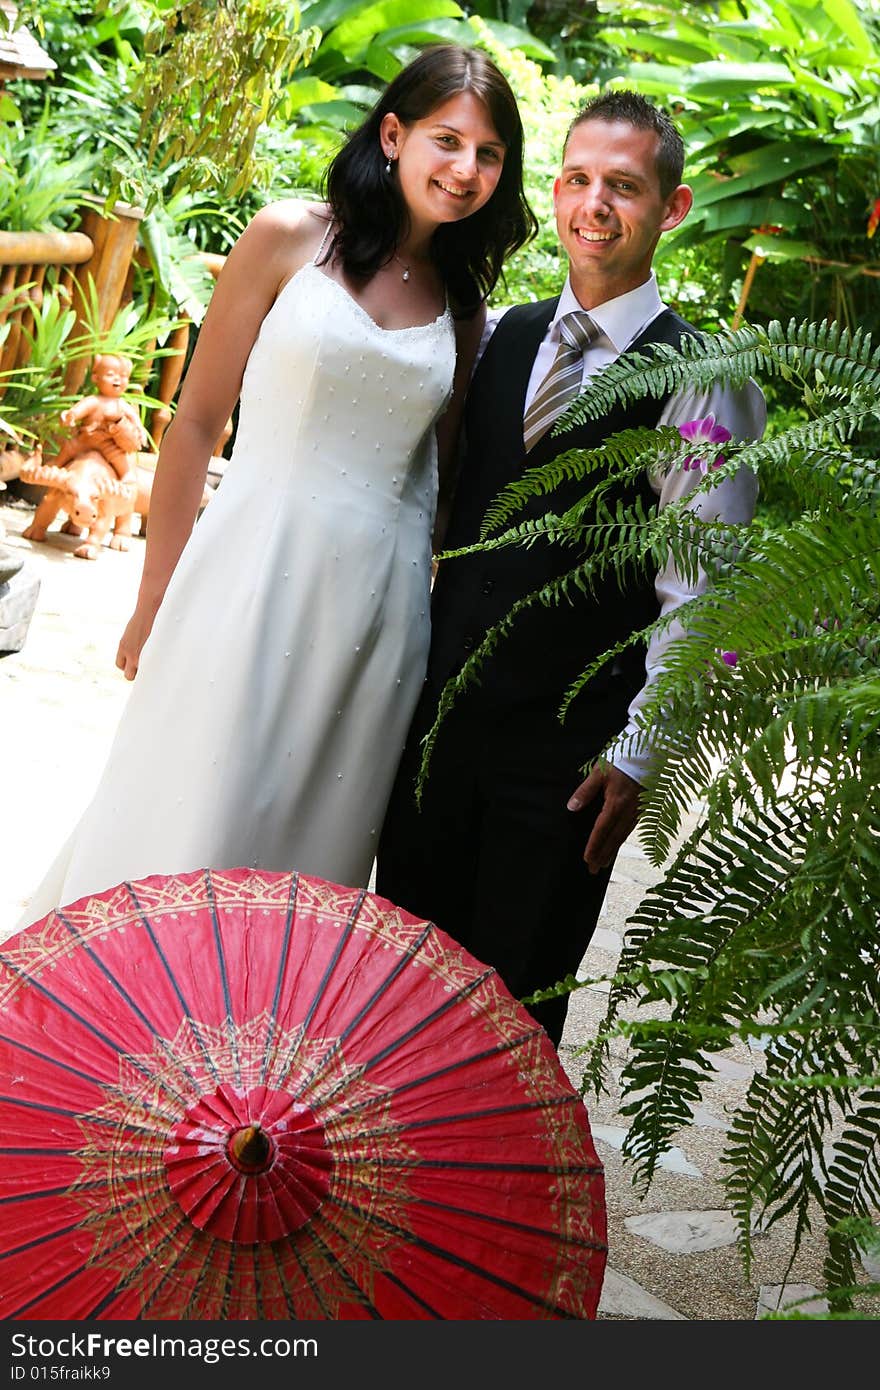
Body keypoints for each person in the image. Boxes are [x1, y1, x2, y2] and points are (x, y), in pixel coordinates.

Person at [18, 43, 536, 928]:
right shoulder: (291, 235)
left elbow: (440, 485)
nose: (466, 170)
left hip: (378, 615)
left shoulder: (461, 303)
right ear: (392, 133)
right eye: (448, 141)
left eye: (490, 155)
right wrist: (156, 597)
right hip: (248, 574)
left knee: (303, 862)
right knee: (188, 812)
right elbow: (195, 422)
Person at [376, 90, 766, 1047]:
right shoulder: (504, 335)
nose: (596, 204)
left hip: (565, 762)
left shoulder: (705, 381)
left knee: (511, 1017)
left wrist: (637, 755)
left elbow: (698, 595)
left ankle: (490, 1197)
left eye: (625, 187)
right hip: (440, 735)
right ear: (555, 190)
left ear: (669, 210)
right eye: (580, 180)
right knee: (399, 990)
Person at [50, 353, 148, 480]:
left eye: (123, 376)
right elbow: (79, 409)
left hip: (108, 443)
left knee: (119, 459)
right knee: (68, 448)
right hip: (85, 439)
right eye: (110, 374)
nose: (117, 379)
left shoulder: (122, 405)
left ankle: (126, 476)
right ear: (95, 378)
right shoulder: (93, 401)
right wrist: (71, 415)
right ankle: (54, 466)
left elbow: (134, 419)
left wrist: (140, 430)